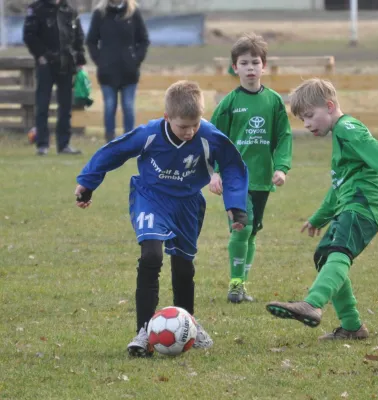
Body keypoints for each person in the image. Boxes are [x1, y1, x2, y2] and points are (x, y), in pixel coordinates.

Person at [74, 80, 250, 356]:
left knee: (183, 268)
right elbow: (114, 151)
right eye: (183, 126)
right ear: (167, 118)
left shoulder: (209, 136)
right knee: (151, 256)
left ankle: (188, 325)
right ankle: (144, 332)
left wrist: (236, 205)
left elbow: (233, 167)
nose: (190, 132)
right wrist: (87, 183)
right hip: (151, 198)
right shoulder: (150, 133)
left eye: (195, 124)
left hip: (188, 205)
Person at [266, 78, 378, 340]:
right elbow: (338, 187)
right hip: (354, 202)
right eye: (303, 120)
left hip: (364, 203)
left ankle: (312, 304)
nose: (307, 124)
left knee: (338, 251)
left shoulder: (348, 127)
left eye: (310, 116)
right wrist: (318, 218)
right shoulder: (340, 136)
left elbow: (377, 150)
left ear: (329, 106)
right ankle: (352, 326)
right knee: (325, 256)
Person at [209, 33, 292, 304]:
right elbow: (213, 140)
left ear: (264, 66)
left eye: (255, 62)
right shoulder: (228, 104)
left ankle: (242, 284)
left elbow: (283, 137)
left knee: (253, 231)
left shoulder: (274, 102)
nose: (250, 68)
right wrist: (215, 172)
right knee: (241, 228)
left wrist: (281, 168)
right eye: (244, 63)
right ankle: (234, 284)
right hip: (235, 179)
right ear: (235, 68)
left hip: (262, 178)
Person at [23, 0, 86, 156]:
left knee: (65, 106)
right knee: (42, 104)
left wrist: (80, 59)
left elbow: (78, 37)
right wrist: (41, 55)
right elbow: (29, 35)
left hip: (66, 64)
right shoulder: (36, 9)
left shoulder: (69, 11)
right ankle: (42, 144)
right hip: (46, 65)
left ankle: (64, 144)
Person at [86, 0, 150, 142]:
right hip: (107, 71)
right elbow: (91, 40)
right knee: (109, 106)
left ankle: (130, 140)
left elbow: (143, 39)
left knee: (128, 106)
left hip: (129, 70)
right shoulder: (100, 14)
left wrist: (136, 59)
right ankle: (110, 140)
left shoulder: (133, 13)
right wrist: (100, 60)